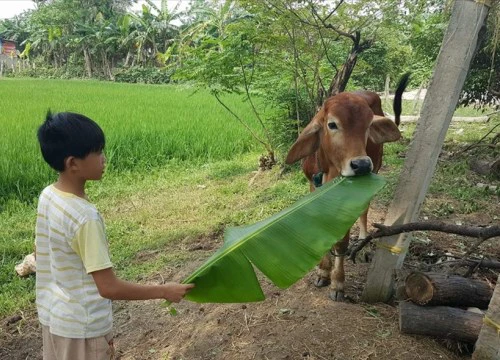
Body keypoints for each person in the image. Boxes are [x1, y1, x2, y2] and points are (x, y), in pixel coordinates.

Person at [35, 111, 194, 360]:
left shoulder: (49, 195)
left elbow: (41, 251)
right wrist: (164, 290)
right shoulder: (84, 217)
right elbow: (108, 287)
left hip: (53, 320)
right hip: (83, 330)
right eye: (97, 152)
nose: (104, 159)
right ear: (72, 163)